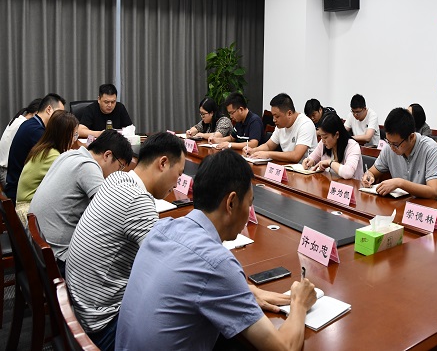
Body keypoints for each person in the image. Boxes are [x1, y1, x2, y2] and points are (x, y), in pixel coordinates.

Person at [115, 150, 317, 351]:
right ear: (231, 202)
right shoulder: (217, 263)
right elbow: (285, 348)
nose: (249, 211)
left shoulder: (161, 228)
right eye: (249, 203)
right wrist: (299, 303)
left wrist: (242, 292)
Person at [66, 132, 186, 351]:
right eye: (178, 174)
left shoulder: (117, 179)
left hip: (81, 308)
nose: (177, 183)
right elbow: (171, 270)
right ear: (163, 163)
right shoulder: (138, 200)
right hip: (102, 326)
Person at [29, 130, 133, 276]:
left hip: (38, 249)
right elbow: (112, 210)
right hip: (58, 258)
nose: (118, 172)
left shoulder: (69, 155)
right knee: (123, 258)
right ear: (107, 155)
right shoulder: (88, 167)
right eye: (120, 166)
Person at [362, 107, 437, 203]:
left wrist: (400, 183)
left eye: (395, 144)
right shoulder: (389, 147)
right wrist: (368, 176)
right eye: (388, 142)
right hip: (404, 204)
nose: (391, 147)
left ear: (411, 137)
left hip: (430, 207)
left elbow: (434, 192)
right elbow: (372, 171)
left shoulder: (430, 149)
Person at [15, 111, 78, 225]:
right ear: (63, 135)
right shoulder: (52, 156)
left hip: (28, 206)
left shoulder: (44, 148)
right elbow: (70, 181)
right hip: (29, 212)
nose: (74, 140)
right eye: (74, 135)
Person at [4, 93, 66, 202]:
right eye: (59, 113)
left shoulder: (32, 124)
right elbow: (55, 158)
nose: (61, 118)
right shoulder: (35, 131)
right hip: (20, 193)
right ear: (49, 109)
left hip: (19, 186)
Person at [248, 93, 317, 164]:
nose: (274, 120)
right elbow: (268, 146)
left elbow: (296, 156)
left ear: (289, 113)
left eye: (277, 116)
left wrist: (268, 154)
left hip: (305, 168)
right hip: (288, 166)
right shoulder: (280, 125)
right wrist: (253, 150)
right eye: (273, 116)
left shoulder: (305, 124)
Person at [302, 113, 363, 180]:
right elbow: (312, 158)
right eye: (321, 136)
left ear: (337, 134)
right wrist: (309, 161)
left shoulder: (352, 146)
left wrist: (330, 163)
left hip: (350, 185)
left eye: (325, 137)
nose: (323, 141)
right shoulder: (323, 143)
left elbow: (348, 173)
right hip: (330, 183)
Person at [0, 98, 41, 187]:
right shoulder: (24, 125)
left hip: (4, 169)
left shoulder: (17, 119)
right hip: (7, 173)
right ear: (36, 113)